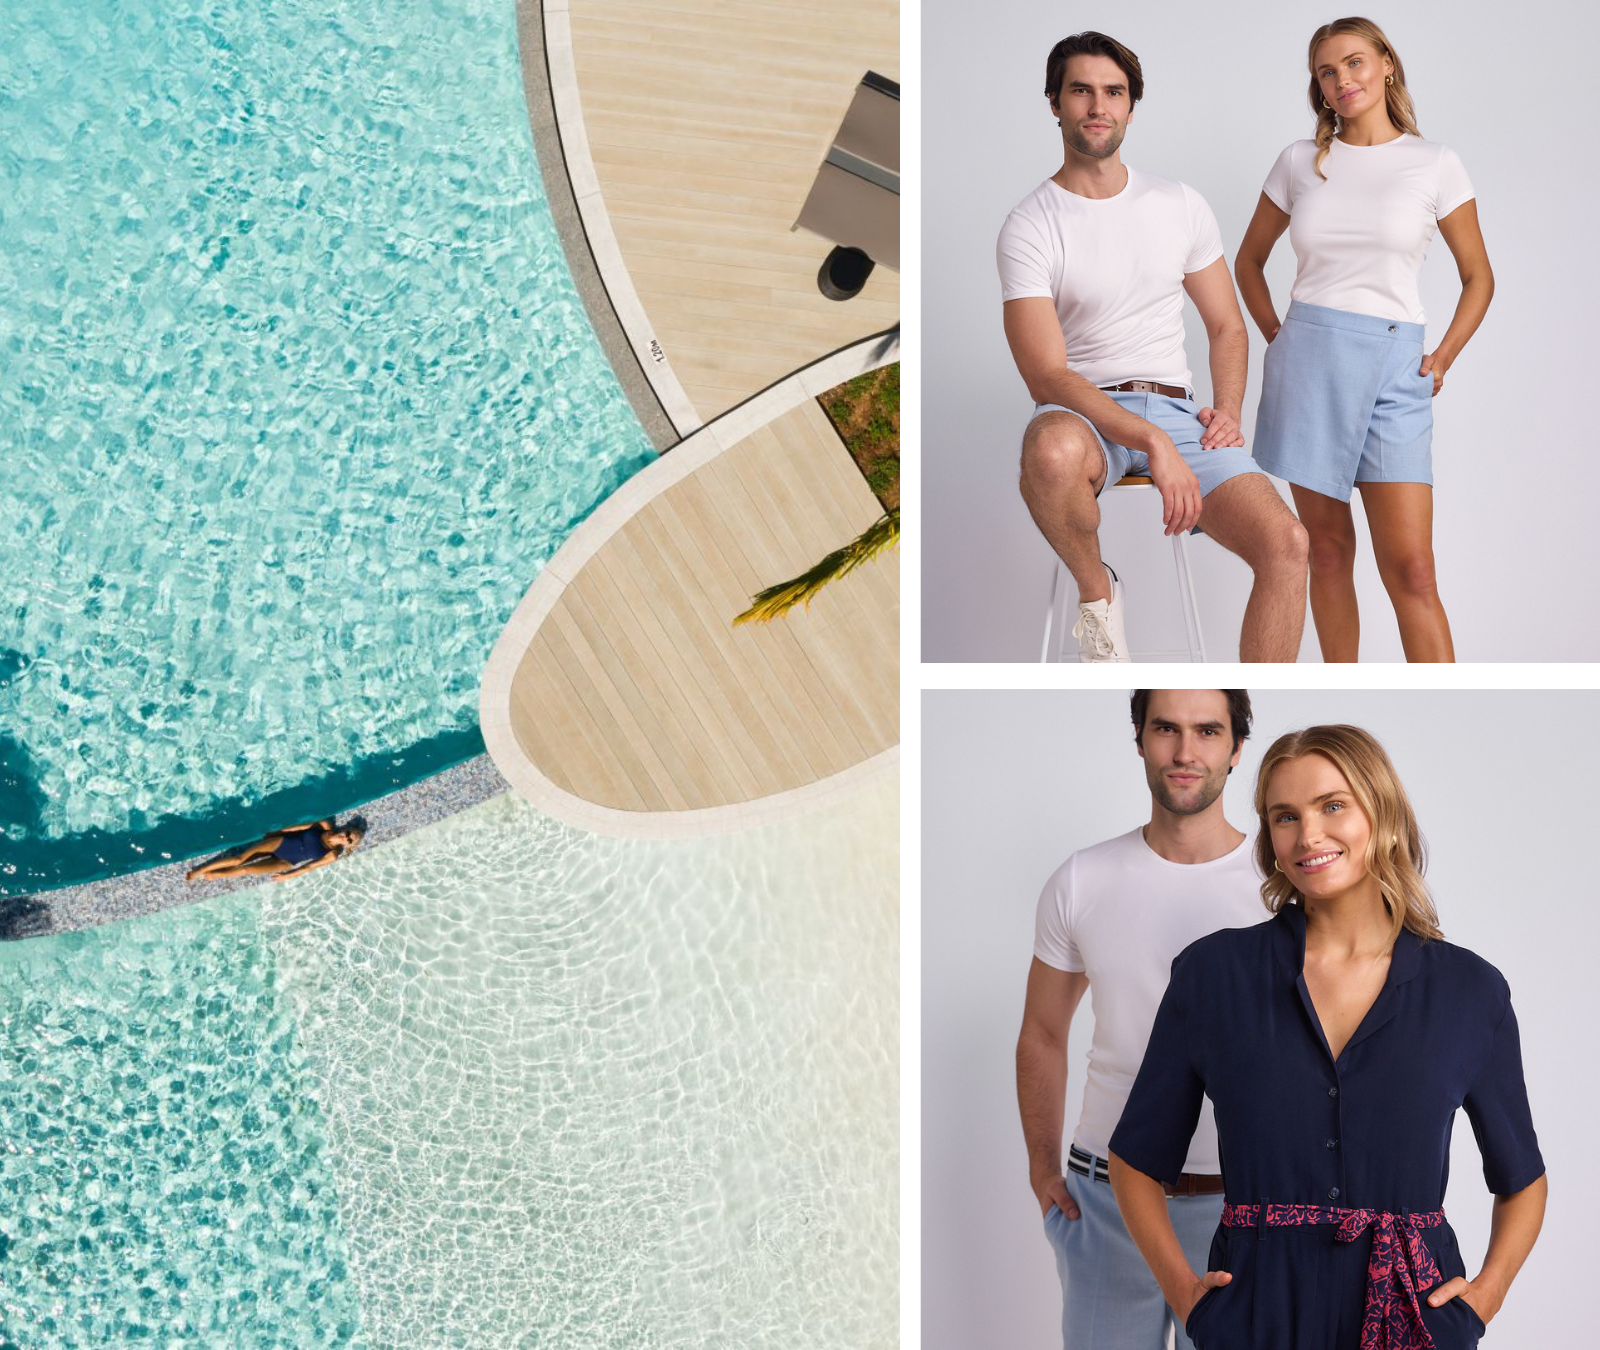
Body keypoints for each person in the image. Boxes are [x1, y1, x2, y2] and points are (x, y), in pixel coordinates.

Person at [1108, 726, 1546, 1350]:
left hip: (1414, 1316)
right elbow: (1135, 1158)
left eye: (1332, 806)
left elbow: (1522, 1178)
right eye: (1285, 817)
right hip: (1255, 1315)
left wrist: (1485, 1297)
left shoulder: (1471, 991)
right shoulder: (1213, 977)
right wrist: (1188, 1299)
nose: (1308, 835)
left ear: (1382, 812)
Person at [999, 32, 1308, 663]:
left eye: (1113, 92)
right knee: (1051, 451)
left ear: (1131, 107)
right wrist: (1151, 444)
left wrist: (1226, 409)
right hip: (1086, 412)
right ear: (1054, 103)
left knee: (1289, 544)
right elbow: (1048, 376)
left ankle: (1255, 706)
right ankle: (1098, 594)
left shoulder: (1179, 204)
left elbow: (1226, 325)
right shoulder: (1031, 224)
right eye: (1080, 90)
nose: (1097, 106)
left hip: (1178, 410)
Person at [1016, 689, 1268, 1349]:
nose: (1186, 752)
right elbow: (1043, 1033)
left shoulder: (1281, 886)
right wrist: (1044, 1172)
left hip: (1240, 1209)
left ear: (1237, 748)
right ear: (1138, 738)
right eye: (1166, 729)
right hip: (1103, 1206)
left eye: (1208, 731)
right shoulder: (1083, 879)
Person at [1235, 18, 1492, 663]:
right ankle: (1339, 685)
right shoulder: (1299, 161)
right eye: (1327, 72)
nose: (1342, 80)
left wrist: (1443, 358)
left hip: (1394, 367)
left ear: (1386, 65)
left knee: (1413, 570)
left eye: (1353, 63)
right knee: (1324, 552)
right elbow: (1248, 261)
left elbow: (1478, 277)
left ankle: (1440, 702)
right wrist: (1278, 335)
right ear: (1318, 88)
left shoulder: (1434, 163)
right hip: (1310, 362)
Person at [185, 819, 365, 882]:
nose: (346, 837)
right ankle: (198, 870)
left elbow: (308, 867)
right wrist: (277, 832)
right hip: (281, 843)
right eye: (349, 834)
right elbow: (297, 828)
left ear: (348, 846)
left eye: (350, 840)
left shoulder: (332, 855)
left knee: (246, 870)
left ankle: (216, 875)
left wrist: (287, 876)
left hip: (286, 862)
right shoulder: (326, 826)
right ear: (345, 829)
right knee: (240, 859)